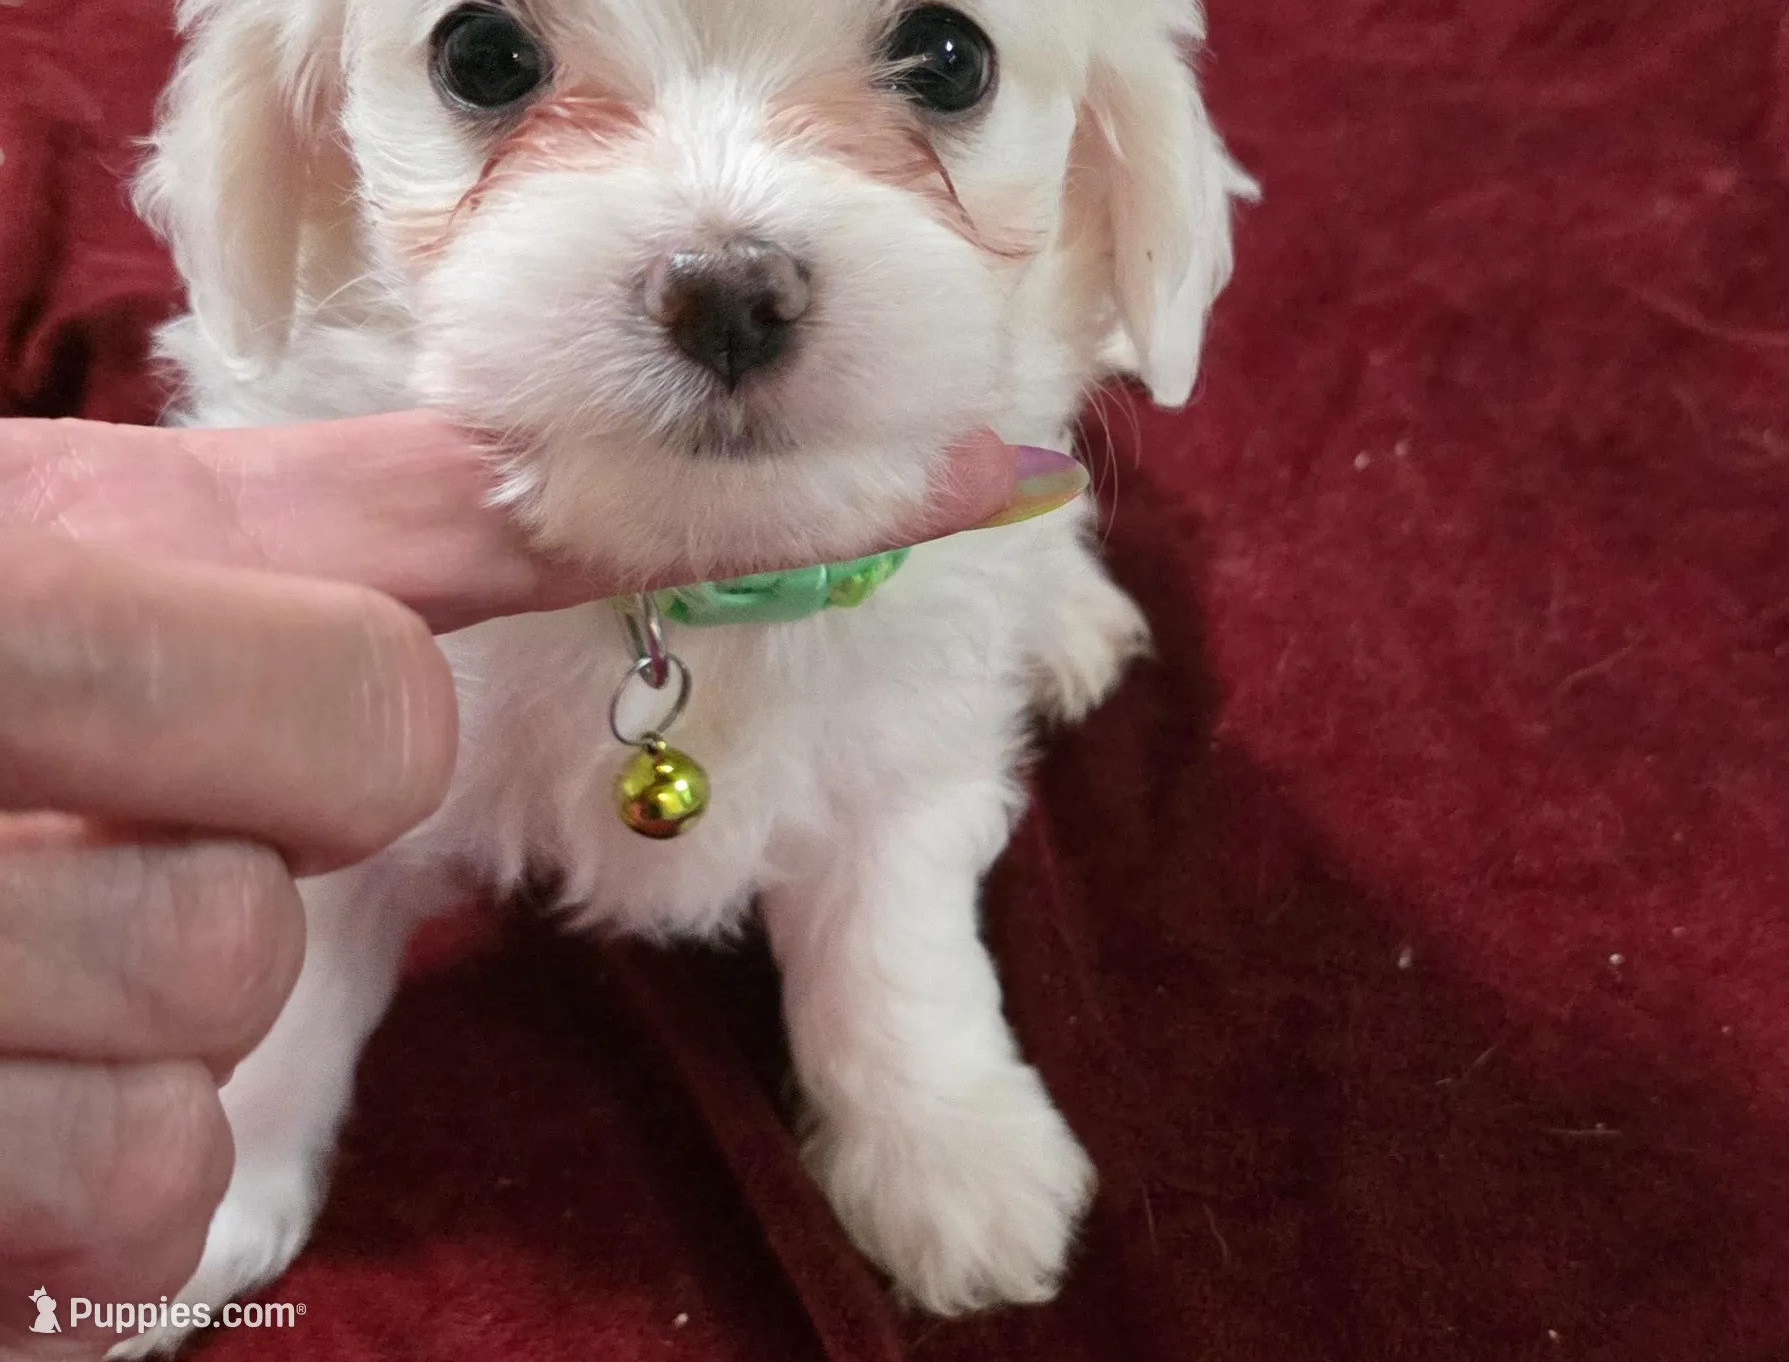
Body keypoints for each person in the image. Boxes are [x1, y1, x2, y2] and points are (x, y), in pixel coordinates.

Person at [0, 411, 1032, 1358]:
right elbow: (339, 845)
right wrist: (239, 1146)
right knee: (344, 796)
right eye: (499, 184)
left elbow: (910, 790)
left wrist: (916, 1078)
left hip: (934, 528)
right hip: (450, 505)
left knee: (907, 785)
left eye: (922, 187)